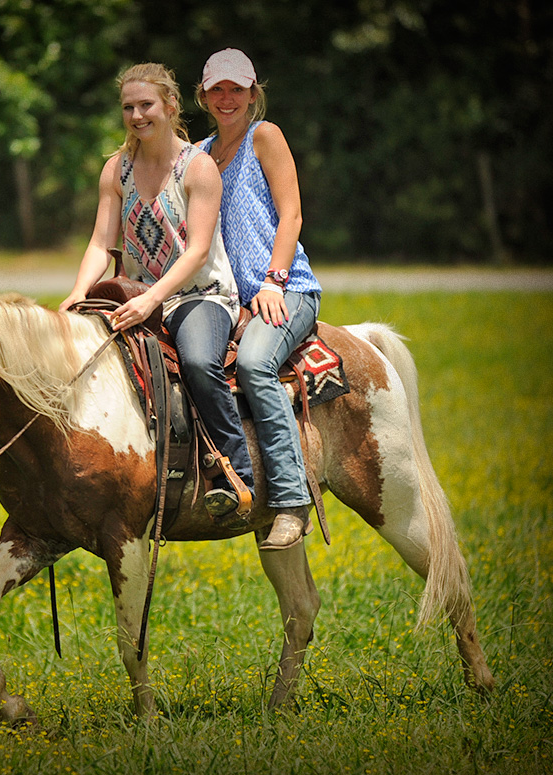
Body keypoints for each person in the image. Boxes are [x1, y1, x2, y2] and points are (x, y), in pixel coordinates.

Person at [60, 62, 254, 517]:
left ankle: (236, 472)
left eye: (146, 104)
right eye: (128, 107)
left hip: (199, 295)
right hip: (133, 295)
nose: (136, 115)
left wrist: (153, 297)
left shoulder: (198, 167)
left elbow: (198, 253)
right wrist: (76, 292)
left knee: (198, 361)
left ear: (170, 106)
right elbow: (99, 243)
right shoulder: (117, 169)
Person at [195, 48, 323, 551]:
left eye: (238, 89)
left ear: (253, 93)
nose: (228, 99)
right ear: (203, 96)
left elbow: (291, 215)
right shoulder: (200, 154)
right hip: (233, 299)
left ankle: (291, 501)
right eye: (218, 90)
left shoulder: (263, 137)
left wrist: (273, 281)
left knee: (252, 363)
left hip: (287, 289)